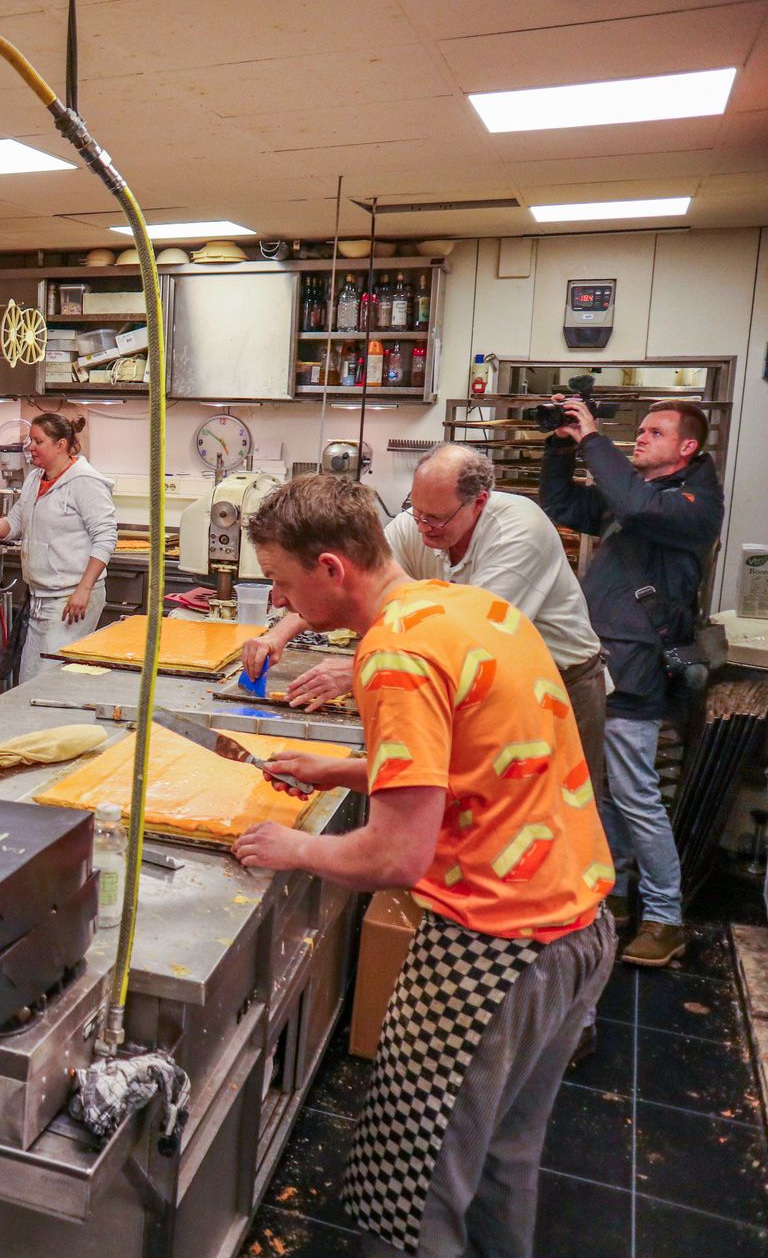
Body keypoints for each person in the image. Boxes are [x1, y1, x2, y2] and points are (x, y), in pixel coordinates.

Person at [231, 477, 614, 1258]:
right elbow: (479, 761)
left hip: (492, 949)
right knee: (502, 1162)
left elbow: (396, 855)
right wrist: (343, 771)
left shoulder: (393, 655)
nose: (280, 597)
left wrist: (292, 847)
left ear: (331, 569)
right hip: (577, 927)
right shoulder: (465, 608)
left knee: (408, 1190)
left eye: (281, 581)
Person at [243, 443, 607, 785]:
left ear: (478, 502)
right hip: (480, 688)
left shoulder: (520, 532)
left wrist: (360, 670)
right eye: (416, 511)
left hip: (562, 681)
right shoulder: (418, 524)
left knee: (560, 789)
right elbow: (351, 574)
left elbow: (470, 641)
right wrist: (278, 635)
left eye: (435, 518)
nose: (422, 526)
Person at [540, 397, 722, 967]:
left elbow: (636, 506)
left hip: (637, 668)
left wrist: (595, 440)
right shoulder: (639, 499)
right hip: (605, 662)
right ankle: (615, 897)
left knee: (637, 797)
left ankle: (666, 920)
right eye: (638, 431)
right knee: (609, 794)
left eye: (654, 432)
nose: (639, 439)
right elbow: (563, 502)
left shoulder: (692, 506)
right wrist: (560, 445)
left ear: (686, 448)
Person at [0, 414, 116, 681]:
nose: (30, 447)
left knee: (52, 682)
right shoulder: (35, 478)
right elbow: (13, 525)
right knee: (31, 679)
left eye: (38, 441)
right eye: (30, 440)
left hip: (70, 599)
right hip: (41, 598)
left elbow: (106, 538)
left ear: (60, 445)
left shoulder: (85, 482)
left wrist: (83, 589)